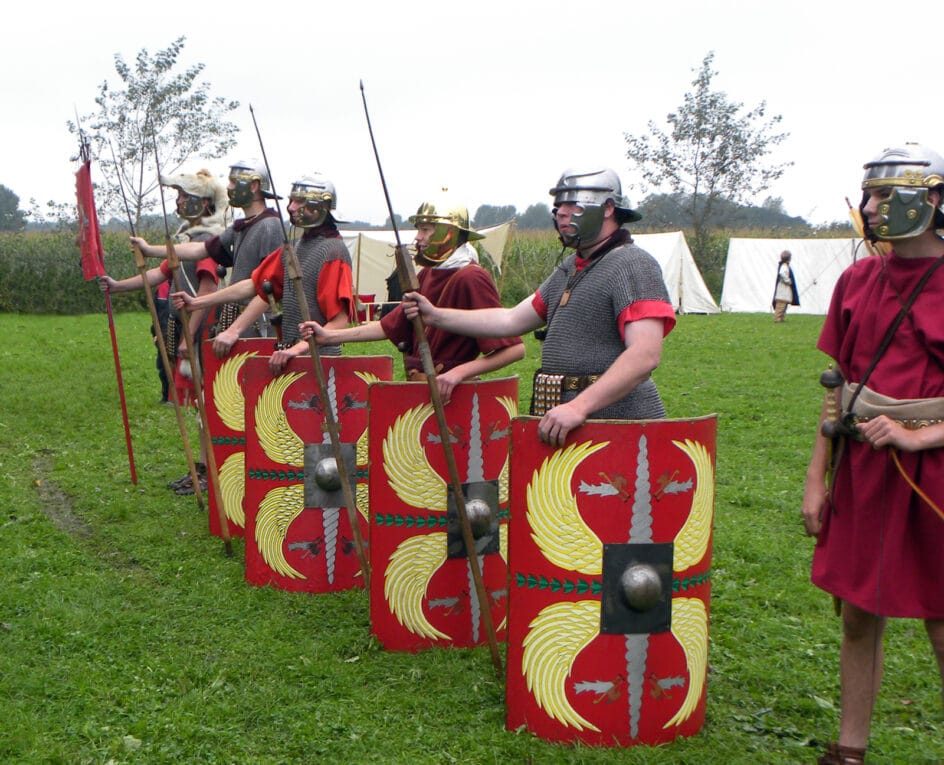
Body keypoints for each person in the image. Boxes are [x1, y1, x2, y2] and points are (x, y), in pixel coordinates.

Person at [801, 144, 944, 765]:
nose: (872, 207)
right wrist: (816, 477)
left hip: (933, 473)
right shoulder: (858, 280)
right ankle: (849, 749)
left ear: (933, 200)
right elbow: (838, 388)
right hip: (862, 464)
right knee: (858, 613)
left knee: (942, 621)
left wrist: (922, 435)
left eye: (887, 195)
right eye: (870, 195)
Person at [402, 168, 675, 446]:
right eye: (559, 207)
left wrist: (579, 406)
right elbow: (510, 321)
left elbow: (645, 354)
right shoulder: (571, 268)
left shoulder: (633, 264)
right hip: (565, 422)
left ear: (607, 208)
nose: (563, 214)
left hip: (619, 424)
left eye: (574, 206)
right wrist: (435, 316)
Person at [299, 193, 525, 402]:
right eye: (419, 229)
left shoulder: (471, 277)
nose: (418, 237)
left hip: (456, 398)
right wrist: (327, 337)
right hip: (422, 393)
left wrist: (459, 373)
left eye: (426, 230)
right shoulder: (428, 274)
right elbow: (388, 326)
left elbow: (514, 349)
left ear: (448, 232)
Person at [100, 168, 229, 494]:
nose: (180, 201)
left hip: (206, 330)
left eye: (187, 196)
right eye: (180, 195)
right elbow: (158, 276)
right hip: (193, 330)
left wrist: (190, 336)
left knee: (208, 405)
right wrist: (116, 287)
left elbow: (207, 287)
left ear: (203, 203)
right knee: (201, 406)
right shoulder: (188, 239)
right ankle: (200, 468)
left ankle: (208, 471)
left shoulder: (205, 242)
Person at [173, 173, 354, 375]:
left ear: (319, 205)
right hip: (290, 357)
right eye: (291, 200)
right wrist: (199, 303)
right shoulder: (294, 248)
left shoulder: (333, 252)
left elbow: (339, 322)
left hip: (320, 360)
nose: (291, 207)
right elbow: (256, 285)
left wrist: (297, 349)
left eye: (299, 201)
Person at [131, 159, 285, 342]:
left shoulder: (270, 226)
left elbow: (269, 288)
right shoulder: (242, 226)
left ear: (253, 186)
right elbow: (200, 250)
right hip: (238, 322)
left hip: (260, 327)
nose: (229, 187)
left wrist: (234, 330)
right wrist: (150, 250)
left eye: (234, 182)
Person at [772, 249, 799, 322]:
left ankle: (781, 319)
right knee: (781, 305)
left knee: (783, 306)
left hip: (784, 290)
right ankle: (777, 319)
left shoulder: (784, 265)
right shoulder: (784, 266)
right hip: (783, 289)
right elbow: (782, 274)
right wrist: (788, 281)